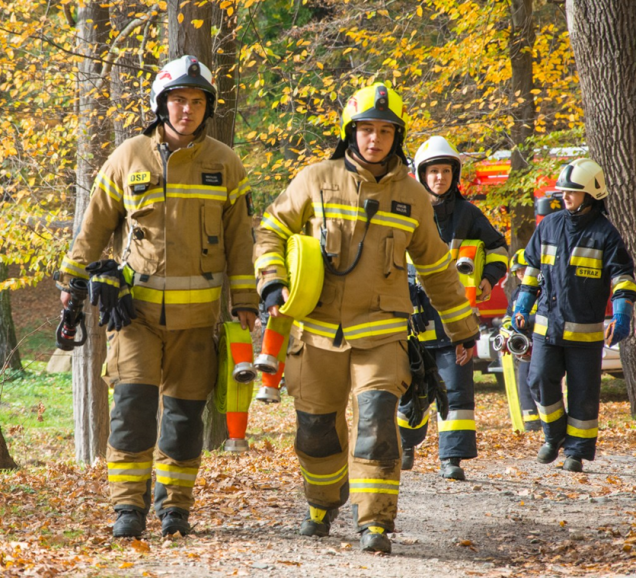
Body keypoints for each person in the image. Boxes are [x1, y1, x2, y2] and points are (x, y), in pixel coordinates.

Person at [253, 83, 479, 553]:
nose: (374, 139)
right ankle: (322, 501)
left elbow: (437, 269)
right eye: (365, 130)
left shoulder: (413, 196)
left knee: (377, 423)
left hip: (382, 334)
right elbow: (271, 231)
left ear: (396, 137)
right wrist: (272, 281)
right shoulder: (314, 179)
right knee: (316, 432)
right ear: (349, 132)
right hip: (315, 335)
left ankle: (374, 522)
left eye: (384, 131)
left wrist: (463, 329)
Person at [57, 55, 258, 538]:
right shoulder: (128, 156)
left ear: (206, 107)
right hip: (135, 316)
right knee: (132, 411)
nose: (185, 110)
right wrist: (73, 285)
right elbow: (95, 226)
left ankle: (176, 510)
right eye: (177, 100)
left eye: (195, 101)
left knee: (185, 419)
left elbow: (239, 240)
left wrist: (245, 300)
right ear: (160, 103)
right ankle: (128, 510)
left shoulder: (225, 163)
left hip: (198, 322)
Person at [513, 158, 635, 472]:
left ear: (591, 194)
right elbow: (532, 271)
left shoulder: (604, 233)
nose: (565, 196)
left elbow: (623, 276)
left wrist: (622, 315)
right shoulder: (549, 225)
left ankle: (576, 453)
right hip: (547, 329)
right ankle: (554, 436)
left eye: (572, 191)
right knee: (538, 379)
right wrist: (522, 304)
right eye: (564, 191)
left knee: (583, 395)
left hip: (585, 334)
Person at [399, 136, 509, 480]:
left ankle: (452, 459)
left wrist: (489, 278)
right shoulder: (403, 210)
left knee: (457, 390)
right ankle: (405, 444)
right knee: (407, 392)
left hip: (453, 322)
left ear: (453, 174)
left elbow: (498, 249)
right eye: (433, 171)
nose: (439, 178)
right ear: (422, 174)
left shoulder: (468, 214)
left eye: (445, 171)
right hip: (412, 323)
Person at [502, 249, 540, 431]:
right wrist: (506, 330)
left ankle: (546, 416)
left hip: (541, 341)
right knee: (524, 379)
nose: (521, 274)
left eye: (524, 269)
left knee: (539, 379)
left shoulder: (542, 291)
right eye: (518, 271)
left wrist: (527, 322)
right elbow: (509, 315)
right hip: (523, 344)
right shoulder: (517, 293)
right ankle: (531, 419)